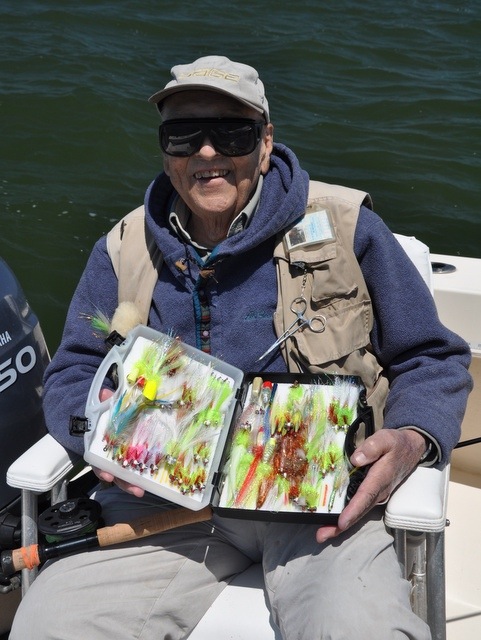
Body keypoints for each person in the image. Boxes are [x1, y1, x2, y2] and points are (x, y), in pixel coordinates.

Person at [10, 55, 472, 640]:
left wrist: (412, 438)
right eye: (184, 135)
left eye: (232, 133)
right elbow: (75, 369)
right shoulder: (122, 247)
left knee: (362, 628)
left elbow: (432, 358)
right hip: (162, 506)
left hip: (321, 502)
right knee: (49, 623)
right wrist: (98, 438)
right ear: (165, 149)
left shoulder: (349, 228)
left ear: (265, 141)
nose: (207, 152)